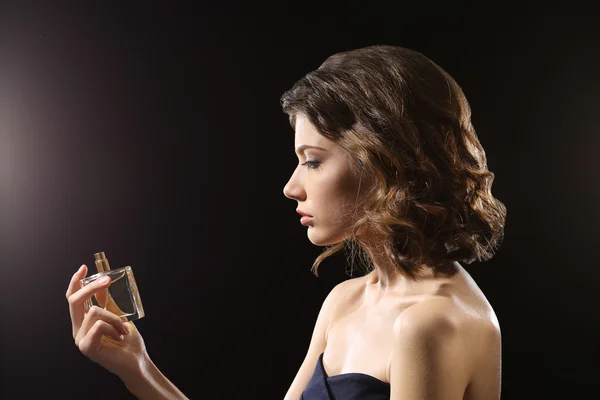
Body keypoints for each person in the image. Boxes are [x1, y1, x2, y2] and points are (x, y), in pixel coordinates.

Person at [66, 45, 506, 400]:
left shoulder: (430, 325)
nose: (291, 187)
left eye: (312, 161)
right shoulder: (345, 302)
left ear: (384, 161)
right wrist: (137, 366)